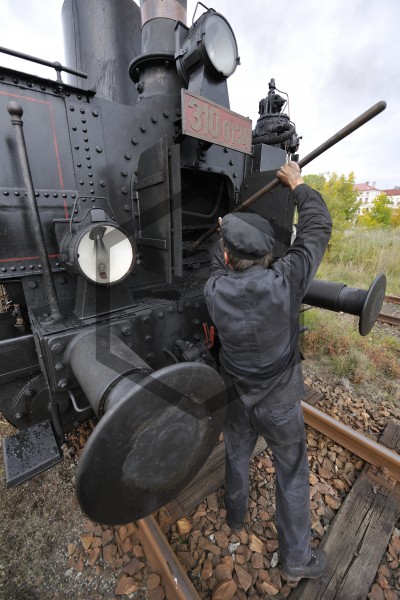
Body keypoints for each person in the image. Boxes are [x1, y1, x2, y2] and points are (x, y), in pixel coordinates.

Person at [203, 161, 332, 582]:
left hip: (237, 395)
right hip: (279, 401)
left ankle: (235, 514)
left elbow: (217, 260)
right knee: (292, 473)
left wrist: (223, 230)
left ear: (227, 256)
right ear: (267, 255)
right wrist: (298, 186)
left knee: (236, 453)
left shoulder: (214, 289)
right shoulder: (287, 280)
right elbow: (317, 228)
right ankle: (295, 560)